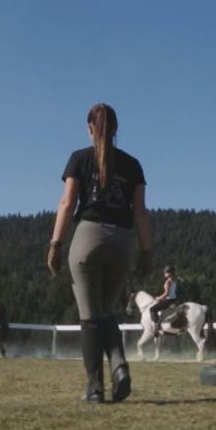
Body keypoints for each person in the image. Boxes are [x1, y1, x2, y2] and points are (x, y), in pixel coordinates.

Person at [47, 103, 152, 403]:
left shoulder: (79, 158)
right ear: (116, 129)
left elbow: (67, 204)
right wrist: (146, 251)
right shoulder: (133, 165)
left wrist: (55, 244)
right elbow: (140, 212)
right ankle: (119, 367)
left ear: (89, 128)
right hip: (122, 242)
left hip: (88, 238)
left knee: (90, 318)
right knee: (106, 312)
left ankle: (95, 387)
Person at [149, 265, 179, 331]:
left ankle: (157, 325)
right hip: (174, 300)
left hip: (169, 301)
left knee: (152, 309)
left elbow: (166, 293)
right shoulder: (175, 281)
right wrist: (163, 298)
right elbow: (172, 293)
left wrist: (158, 298)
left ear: (170, 273)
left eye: (165, 272)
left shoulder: (168, 282)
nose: (164, 274)